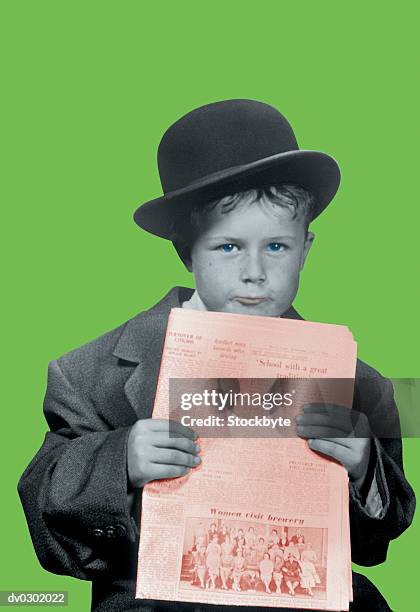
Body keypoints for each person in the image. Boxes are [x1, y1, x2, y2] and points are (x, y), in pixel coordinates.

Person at [18, 99, 416, 611]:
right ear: (186, 249)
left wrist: (363, 470)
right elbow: (43, 514)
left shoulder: (362, 381)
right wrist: (119, 462)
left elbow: (380, 538)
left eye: (276, 247)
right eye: (228, 247)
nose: (255, 272)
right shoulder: (86, 374)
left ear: (306, 247)